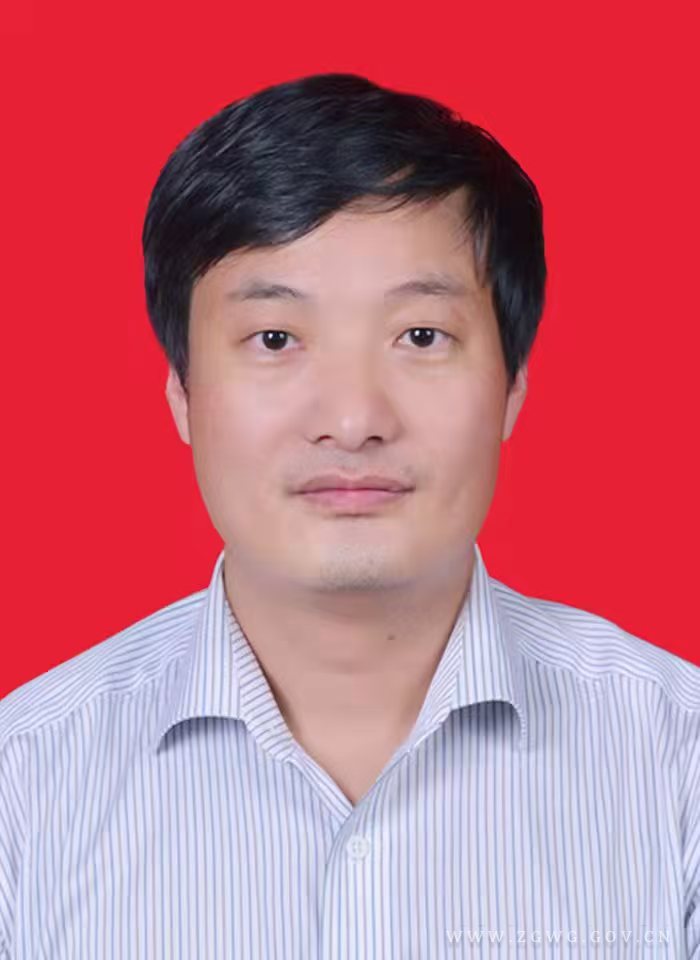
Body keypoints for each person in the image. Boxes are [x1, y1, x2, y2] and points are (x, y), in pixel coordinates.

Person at [1, 73, 698, 960]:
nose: (354, 418)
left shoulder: (677, 765)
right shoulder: (24, 784)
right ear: (182, 391)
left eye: (420, 336)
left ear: (513, 385)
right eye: (275, 339)